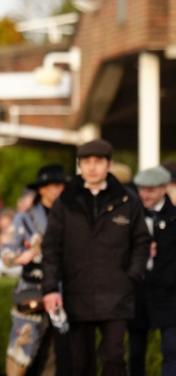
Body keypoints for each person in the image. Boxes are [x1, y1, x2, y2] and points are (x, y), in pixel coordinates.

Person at [42, 139, 151, 376]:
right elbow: (51, 247)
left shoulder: (127, 200)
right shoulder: (65, 202)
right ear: (79, 166)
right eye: (86, 162)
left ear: (109, 164)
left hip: (117, 293)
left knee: (114, 357)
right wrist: (50, 288)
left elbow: (141, 241)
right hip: (77, 292)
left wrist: (132, 275)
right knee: (81, 362)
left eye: (98, 161)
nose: (92, 168)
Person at [0, 164, 69, 376]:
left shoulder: (71, 216)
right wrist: (23, 256)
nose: (57, 190)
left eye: (60, 185)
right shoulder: (26, 218)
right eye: (52, 185)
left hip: (64, 292)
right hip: (33, 290)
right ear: (41, 189)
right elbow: (6, 253)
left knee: (57, 354)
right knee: (22, 352)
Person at [128, 166, 176, 376]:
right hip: (139, 293)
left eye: (151, 190)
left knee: (171, 350)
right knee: (136, 351)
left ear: (164, 188)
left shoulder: (174, 218)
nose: (145, 194)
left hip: (169, 296)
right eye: (142, 189)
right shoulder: (131, 217)